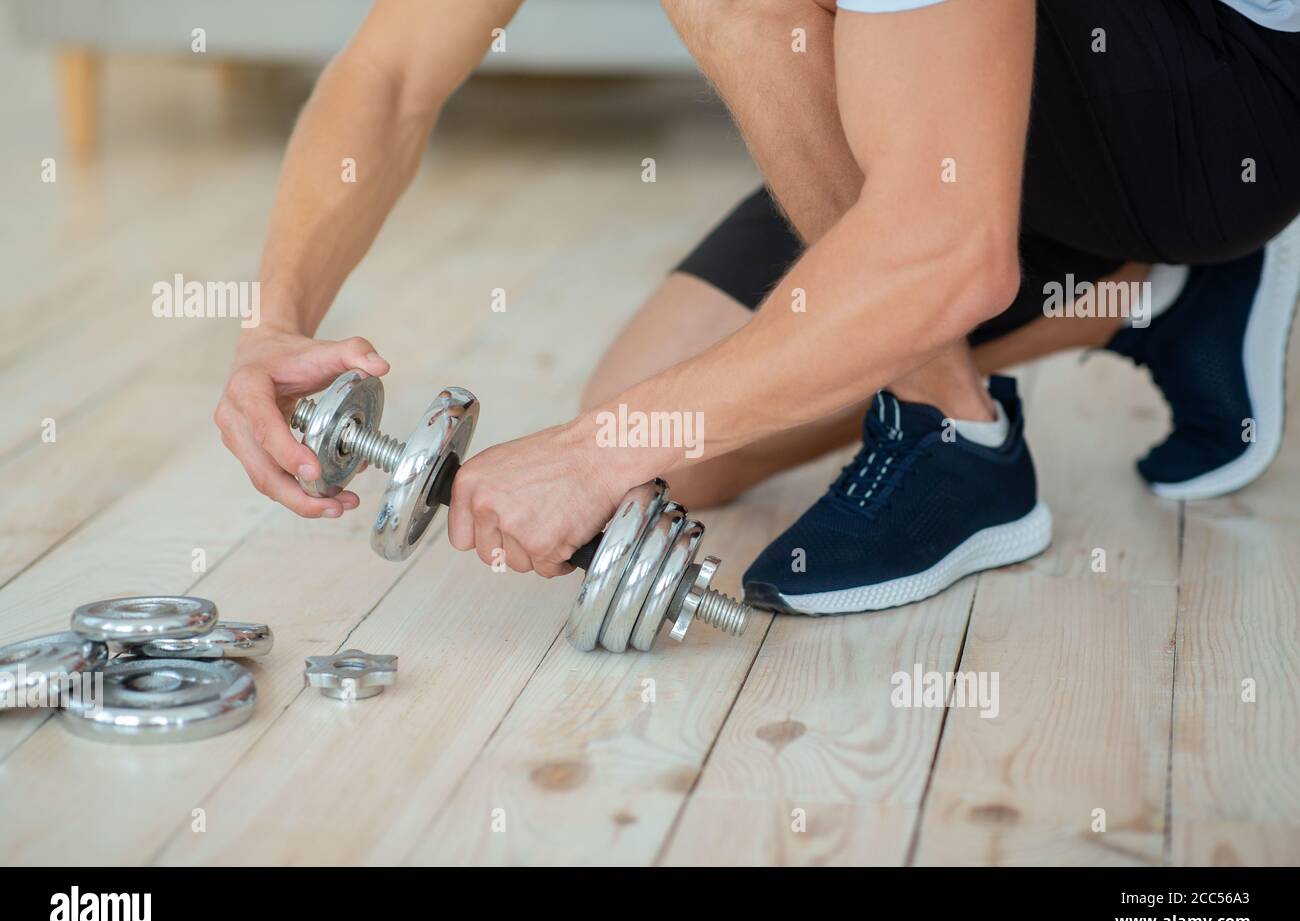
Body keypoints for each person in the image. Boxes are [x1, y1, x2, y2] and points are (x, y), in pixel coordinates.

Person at [216, 0, 1300, 615]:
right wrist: (276, 318)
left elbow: (949, 252)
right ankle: (1137, 293)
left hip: (1218, 105)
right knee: (681, 451)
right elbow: (393, 75)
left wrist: (595, 454)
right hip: (955, 102)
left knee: (634, 437)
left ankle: (958, 436)